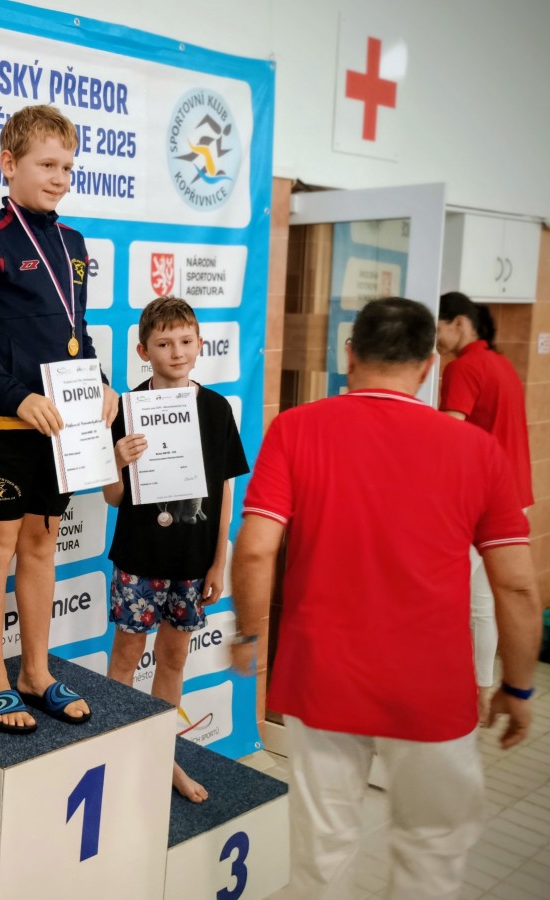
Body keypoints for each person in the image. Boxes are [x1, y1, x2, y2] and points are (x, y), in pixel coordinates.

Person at [229, 297, 541, 899]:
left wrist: (248, 633)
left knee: (323, 856)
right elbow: (517, 585)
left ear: (349, 355)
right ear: (429, 365)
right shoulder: (477, 450)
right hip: (433, 686)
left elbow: (256, 550)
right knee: (431, 855)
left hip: (323, 677)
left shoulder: (295, 428)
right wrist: (519, 686)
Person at [0, 104, 118, 734]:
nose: (60, 178)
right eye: (47, 165)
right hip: (5, 426)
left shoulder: (73, 245)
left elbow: (77, 334)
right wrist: (18, 398)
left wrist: (100, 384)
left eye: (67, 167)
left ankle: (35, 672)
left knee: (43, 543)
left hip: (60, 429)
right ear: (9, 164)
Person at [104, 296, 248, 802]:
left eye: (186, 341)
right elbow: (113, 497)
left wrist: (219, 560)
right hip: (138, 555)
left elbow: (225, 491)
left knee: (173, 659)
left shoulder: (215, 409)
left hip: (193, 558)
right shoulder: (125, 408)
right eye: (164, 344)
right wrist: (116, 460)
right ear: (143, 351)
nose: (177, 352)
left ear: (200, 344)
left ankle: (161, 759)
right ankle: (116, 757)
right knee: (125, 657)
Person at [437, 290, 535, 721]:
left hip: (479, 505)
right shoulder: (502, 364)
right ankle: (480, 690)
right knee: (482, 604)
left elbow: (450, 436)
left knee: (448, 599)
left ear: (459, 323)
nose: (435, 341)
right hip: (515, 499)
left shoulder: (463, 367)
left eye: (438, 329)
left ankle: (453, 693)